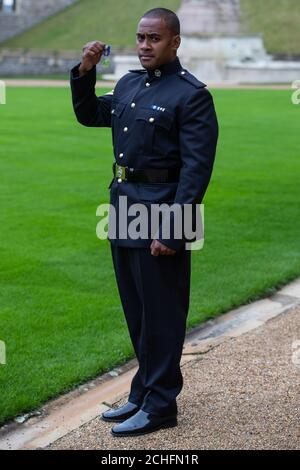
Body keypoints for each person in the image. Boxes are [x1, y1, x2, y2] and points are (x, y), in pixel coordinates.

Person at [70, 7, 218, 437]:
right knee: (137, 311)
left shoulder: (192, 95)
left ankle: (161, 404)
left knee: (162, 313)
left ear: (174, 42)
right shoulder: (129, 83)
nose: (144, 46)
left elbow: (196, 169)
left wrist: (174, 227)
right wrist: (85, 72)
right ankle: (142, 392)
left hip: (164, 212)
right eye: (140, 38)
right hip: (125, 207)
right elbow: (90, 114)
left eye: (154, 39)